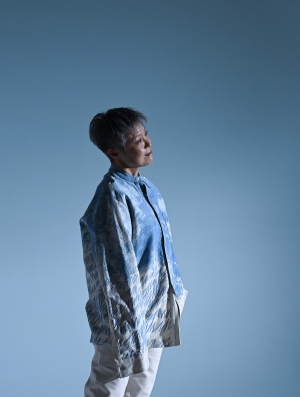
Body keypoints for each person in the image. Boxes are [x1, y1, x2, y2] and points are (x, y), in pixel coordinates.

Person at [80, 107, 187, 397]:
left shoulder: (148, 189)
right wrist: (127, 321)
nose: (148, 144)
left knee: (141, 389)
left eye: (147, 136)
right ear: (114, 152)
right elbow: (114, 268)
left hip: (155, 307)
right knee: (108, 389)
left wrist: (175, 294)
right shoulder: (112, 195)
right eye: (138, 140)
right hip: (124, 315)